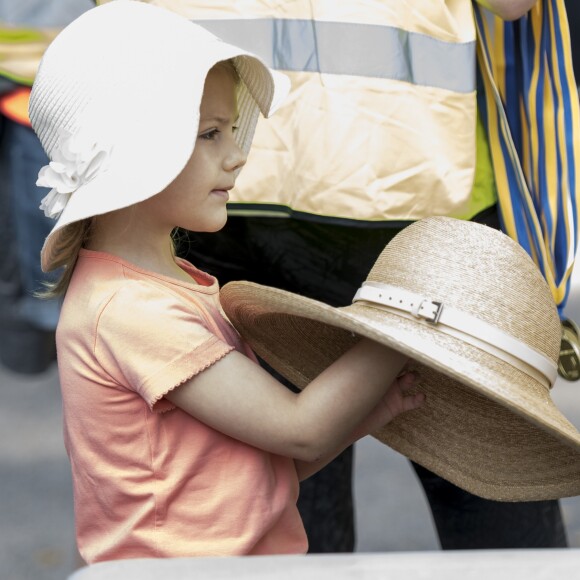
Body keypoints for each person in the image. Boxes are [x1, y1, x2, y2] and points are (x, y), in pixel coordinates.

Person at [117, 0, 570, 551]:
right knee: (494, 532)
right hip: (408, 195)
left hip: (224, 187)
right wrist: (405, 331)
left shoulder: (116, 302)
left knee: (287, 519)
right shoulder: (124, 312)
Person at [29, 1, 424, 564]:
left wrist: (370, 413)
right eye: (210, 133)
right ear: (139, 155)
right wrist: (405, 320)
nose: (237, 155)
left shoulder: (166, 286)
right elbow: (298, 429)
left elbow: (257, 467)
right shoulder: (130, 310)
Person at [0, 0, 93, 373]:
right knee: (37, 210)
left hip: (43, 78)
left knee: (34, 210)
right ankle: (38, 342)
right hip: (48, 69)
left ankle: (35, 345)